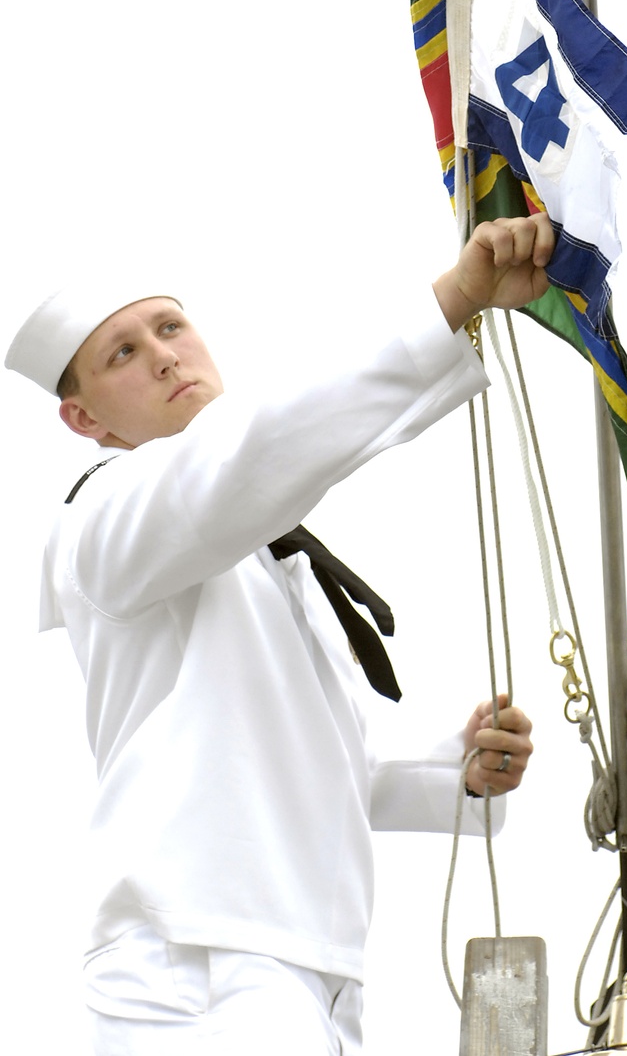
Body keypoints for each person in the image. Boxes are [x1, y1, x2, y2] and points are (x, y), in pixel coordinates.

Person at [4, 212, 554, 1055]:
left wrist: (462, 770)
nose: (162, 354)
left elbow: (325, 767)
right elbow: (248, 452)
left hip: (299, 976)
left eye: (170, 325)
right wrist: (450, 303)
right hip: (196, 972)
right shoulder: (105, 519)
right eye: (122, 353)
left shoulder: (254, 552)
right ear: (86, 421)